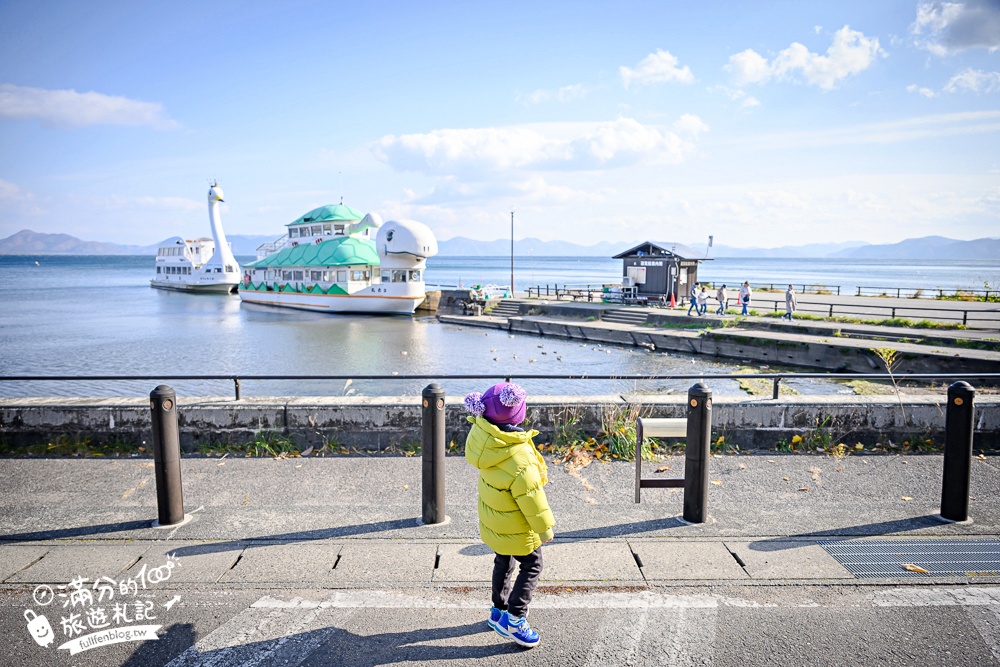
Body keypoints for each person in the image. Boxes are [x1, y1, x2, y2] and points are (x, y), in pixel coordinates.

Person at [465, 382, 555, 649]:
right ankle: (515, 619)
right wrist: (544, 529)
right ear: (518, 414)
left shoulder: (484, 440)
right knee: (532, 565)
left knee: (503, 560)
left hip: (495, 520)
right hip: (517, 524)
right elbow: (532, 498)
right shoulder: (518, 453)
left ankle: (498, 611)